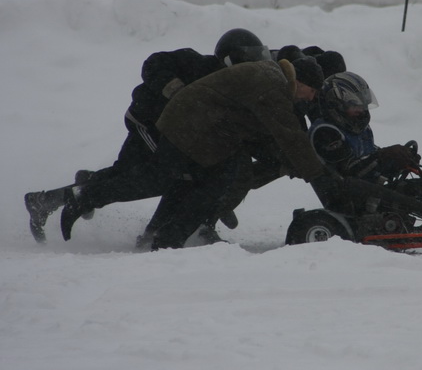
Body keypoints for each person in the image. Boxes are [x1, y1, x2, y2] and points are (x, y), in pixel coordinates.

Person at [25, 28, 270, 244]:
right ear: (230, 59)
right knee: (160, 175)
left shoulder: (233, 87)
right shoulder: (197, 63)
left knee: (130, 173)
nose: (255, 65)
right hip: (149, 121)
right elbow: (153, 63)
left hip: (172, 131)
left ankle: (50, 199)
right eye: (250, 58)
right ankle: (88, 197)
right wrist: (178, 93)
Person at [127, 55, 343, 250]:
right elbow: (290, 136)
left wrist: (299, 165)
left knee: (202, 183)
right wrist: (318, 175)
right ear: (300, 82)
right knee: (179, 182)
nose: (311, 98)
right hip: (191, 128)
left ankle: (162, 235)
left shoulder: (274, 77)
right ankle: (167, 239)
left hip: (204, 131)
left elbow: (278, 136)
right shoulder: (274, 87)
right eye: (312, 91)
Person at [308, 71, 419, 183]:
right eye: (354, 105)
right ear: (336, 105)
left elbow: (370, 158)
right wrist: (385, 156)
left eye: (363, 105)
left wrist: (400, 160)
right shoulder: (324, 132)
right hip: (344, 192)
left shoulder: (357, 126)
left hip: (368, 189)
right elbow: (349, 172)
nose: (361, 110)